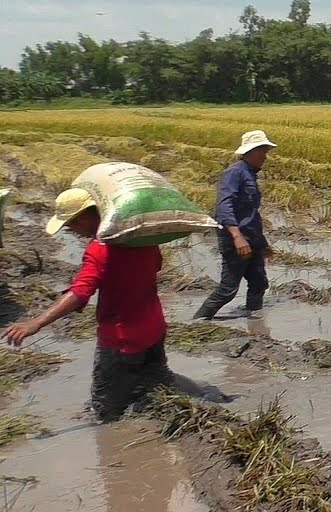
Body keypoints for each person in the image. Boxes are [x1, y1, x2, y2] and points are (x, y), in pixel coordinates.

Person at [4, 189, 173, 422]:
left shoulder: (100, 248)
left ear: (83, 218)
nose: (72, 231)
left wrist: (37, 322)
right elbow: (156, 266)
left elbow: (80, 293)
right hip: (154, 329)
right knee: (158, 387)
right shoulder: (141, 238)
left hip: (121, 339)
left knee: (105, 411)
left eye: (71, 225)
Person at [194, 130, 277, 320]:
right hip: (236, 239)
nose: (265, 157)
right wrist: (238, 237)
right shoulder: (234, 173)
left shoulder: (250, 174)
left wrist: (263, 245)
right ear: (250, 152)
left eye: (266, 152)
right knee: (228, 289)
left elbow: (251, 215)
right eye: (262, 152)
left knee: (259, 283)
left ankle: (254, 321)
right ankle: (198, 322)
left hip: (252, 239)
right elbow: (224, 207)